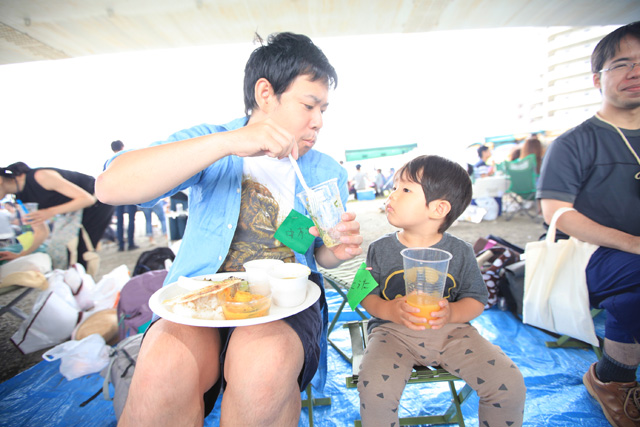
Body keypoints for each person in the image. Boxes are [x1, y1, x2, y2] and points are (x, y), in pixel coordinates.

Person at [96, 32, 363, 426]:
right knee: (163, 368)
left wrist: (332, 251)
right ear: (265, 94)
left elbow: (316, 252)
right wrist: (230, 142)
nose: (319, 121)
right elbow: (110, 186)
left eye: (324, 109)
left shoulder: (326, 172)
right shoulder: (213, 142)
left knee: (263, 367)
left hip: (284, 304)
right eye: (309, 105)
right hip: (199, 297)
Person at [357, 155, 526, 426]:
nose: (392, 195)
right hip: (392, 334)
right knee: (374, 388)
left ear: (438, 208)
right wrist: (388, 309)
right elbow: (361, 293)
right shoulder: (380, 248)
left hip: (452, 333)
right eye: (394, 188)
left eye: (406, 189)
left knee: (509, 383)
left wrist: (452, 313)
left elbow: (477, 299)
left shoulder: (461, 251)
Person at [537, 21, 640, 427]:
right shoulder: (575, 142)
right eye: (622, 63)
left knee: (632, 298)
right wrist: (632, 243)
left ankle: (612, 377)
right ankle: (614, 379)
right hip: (590, 258)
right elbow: (556, 213)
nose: (635, 71)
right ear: (598, 78)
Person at [0, 162, 114, 270]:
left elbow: (87, 199)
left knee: (82, 251)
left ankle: (85, 284)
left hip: (97, 202)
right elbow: (41, 232)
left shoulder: (40, 176)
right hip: (72, 212)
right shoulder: (21, 199)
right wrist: (20, 254)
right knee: (63, 251)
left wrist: (49, 212)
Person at [109, 140, 139, 251]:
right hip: (130, 194)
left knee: (120, 221)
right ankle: (131, 243)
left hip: (118, 196)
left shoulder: (110, 162)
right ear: (122, 146)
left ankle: (121, 245)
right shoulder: (128, 159)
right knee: (131, 219)